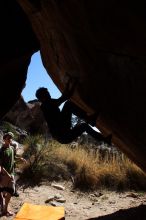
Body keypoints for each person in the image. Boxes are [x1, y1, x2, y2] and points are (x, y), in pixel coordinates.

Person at [35, 80, 112, 144]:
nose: (49, 94)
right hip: (63, 135)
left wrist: (68, 84)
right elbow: (65, 97)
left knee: (84, 126)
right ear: (43, 97)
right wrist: (72, 84)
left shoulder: (48, 103)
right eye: (47, 93)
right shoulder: (46, 105)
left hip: (63, 134)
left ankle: (104, 139)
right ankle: (89, 120)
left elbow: (64, 96)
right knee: (68, 104)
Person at [0, 132, 26, 216]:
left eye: (11, 138)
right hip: (3, 175)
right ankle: (3, 207)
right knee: (2, 191)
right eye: (8, 138)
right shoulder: (1, 151)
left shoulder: (11, 148)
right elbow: (0, 166)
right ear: (4, 139)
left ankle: (5, 209)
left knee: (11, 191)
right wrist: (7, 174)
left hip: (11, 174)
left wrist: (20, 158)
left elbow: (13, 158)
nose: (10, 139)